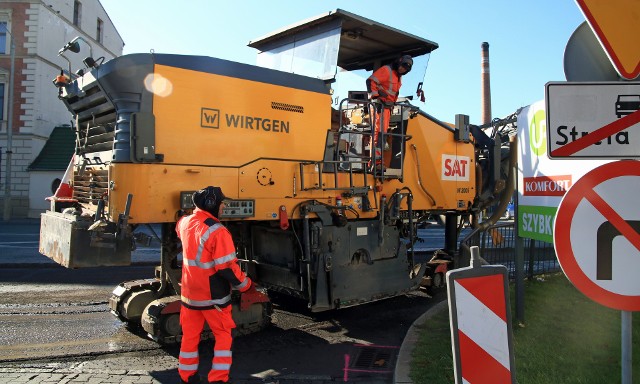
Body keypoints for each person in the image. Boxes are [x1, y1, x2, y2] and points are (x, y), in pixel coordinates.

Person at [176, 186, 255, 384]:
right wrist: (247, 285)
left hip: (189, 295)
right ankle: (218, 379)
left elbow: (182, 234)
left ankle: (187, 376)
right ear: (212, 205)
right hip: (213, 297)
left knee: (189, 337)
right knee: (222, 337)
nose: (223, 208)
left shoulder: (184, 222)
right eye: (222, 204)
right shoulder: (218, 231)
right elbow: (226, 268)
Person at [365, 54, 413, 157]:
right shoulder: (387, 70)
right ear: (399, 62)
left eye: (405, 69)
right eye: (402, 66)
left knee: (382, 134)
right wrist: (376, 96)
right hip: (379, 106)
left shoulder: (398, 77)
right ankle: (375, 161)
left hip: (387, 108)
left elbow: (393, 93)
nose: (402, 70)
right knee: (378, 133)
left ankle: (378, 159)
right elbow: (370, 81)